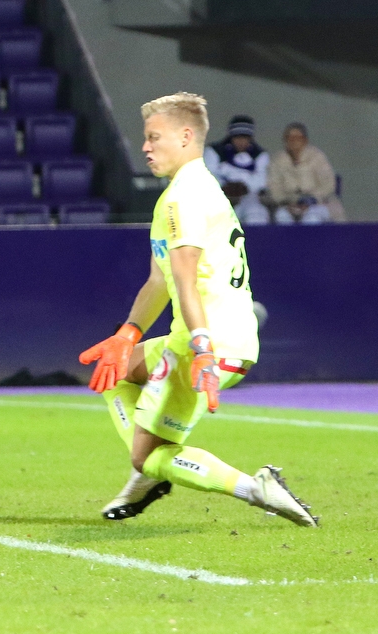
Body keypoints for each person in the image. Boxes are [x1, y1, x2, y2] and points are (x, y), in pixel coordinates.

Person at [78, 92, 318, 527]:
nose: (146, 147)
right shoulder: (197, 189)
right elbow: (159, 281)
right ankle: (149, 473)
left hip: (203, 341)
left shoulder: (182, 199)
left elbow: (185, 282)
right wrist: (128, 333)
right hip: (215, 336)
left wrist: (203, 350)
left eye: (155, 137)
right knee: (118, 369)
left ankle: (253, 488)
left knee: (146, 456)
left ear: (187, 136)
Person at [265, 122, 346, 224]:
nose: (293, 141)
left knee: (312, 218)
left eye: (297, 138)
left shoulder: (317, 157)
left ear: (305, 140)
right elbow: (274, 187)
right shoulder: (278, 160)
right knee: (281, 216)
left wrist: (312, 200)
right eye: (289, 138)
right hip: (289, 204)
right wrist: (287, 202)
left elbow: (328, 184)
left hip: (319, 203)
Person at [204, 115, 270, 225]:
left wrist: (242, 187)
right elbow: (208, 175)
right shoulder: (214, 151)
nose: (241, 141)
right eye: (237, 137)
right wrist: (226, 187)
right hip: (218, 197)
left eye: (245, 137)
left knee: (257, 214)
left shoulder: (260, 155)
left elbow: (261, 180)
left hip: (248, 198)